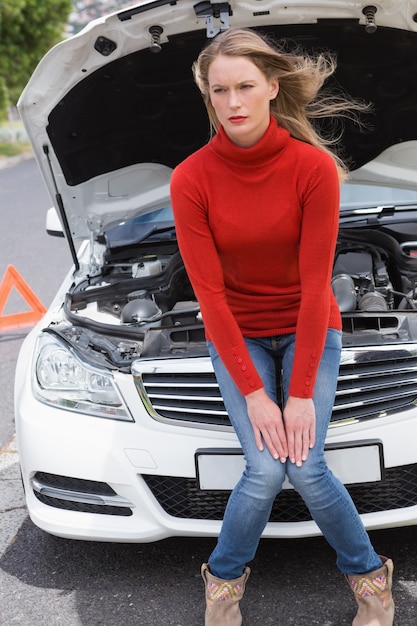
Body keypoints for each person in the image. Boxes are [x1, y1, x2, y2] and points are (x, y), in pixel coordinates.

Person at [170, 27, 394, 626]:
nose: (235, 102)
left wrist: (296, 396)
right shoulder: (190, 179)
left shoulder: (313, 168)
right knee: (267, 466)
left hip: (309, 325)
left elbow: (315, 285)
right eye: (221, 90)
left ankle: (371, 582)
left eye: (246, 86)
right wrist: (255, 395)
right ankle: (223, 584)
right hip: (236, 331)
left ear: (272, 87)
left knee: (306, 463)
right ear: (208, 96)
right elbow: (210, 297)